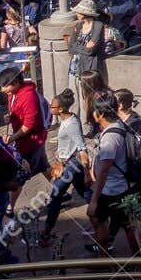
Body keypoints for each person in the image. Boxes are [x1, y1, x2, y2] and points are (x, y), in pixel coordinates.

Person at [86, 94, 140, 255]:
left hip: (111, 190)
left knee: (96, 218)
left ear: (101, 114)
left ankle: (105, 257)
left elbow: (104, 170)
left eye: (94, 111)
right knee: (128, 225)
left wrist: (94, 199)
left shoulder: (110, 138)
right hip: (121, 187)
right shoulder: (118, 125)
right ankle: (138, 260)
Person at [38, 89, 90, 247]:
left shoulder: (71, 125)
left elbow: (82, 147)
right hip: (70, 164)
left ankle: (46, 233)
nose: (50, 109)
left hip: (71, 166)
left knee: (55, 196)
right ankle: (101, 216)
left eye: (52, 107)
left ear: (60, 109)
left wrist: (87, 171)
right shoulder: (69, 119)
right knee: (85, 192)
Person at [68, 0, 110, 135]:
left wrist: (79, 48)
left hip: (91, 68)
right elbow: (71, 47)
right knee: (75, 97)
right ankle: (75, 126)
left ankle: (89, 126)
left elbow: (91, 50)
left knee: (88, 98)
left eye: (78, 12)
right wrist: (83, 48)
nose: (76, 14)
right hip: (75, 66)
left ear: (84, 13)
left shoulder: (98, 25)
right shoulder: (78, 26)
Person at [0, 65, 47, 181]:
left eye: (5, 86)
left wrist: (12, 138)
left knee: (20, 177)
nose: (2, 90)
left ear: (15, 83)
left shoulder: (28, 97)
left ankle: (10, 200)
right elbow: (17, 110)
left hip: (32, 141)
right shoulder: (13, 93)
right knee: (44, 168)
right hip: (27, 140)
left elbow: (28, 125)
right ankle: (60, 192)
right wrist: (11, 117)